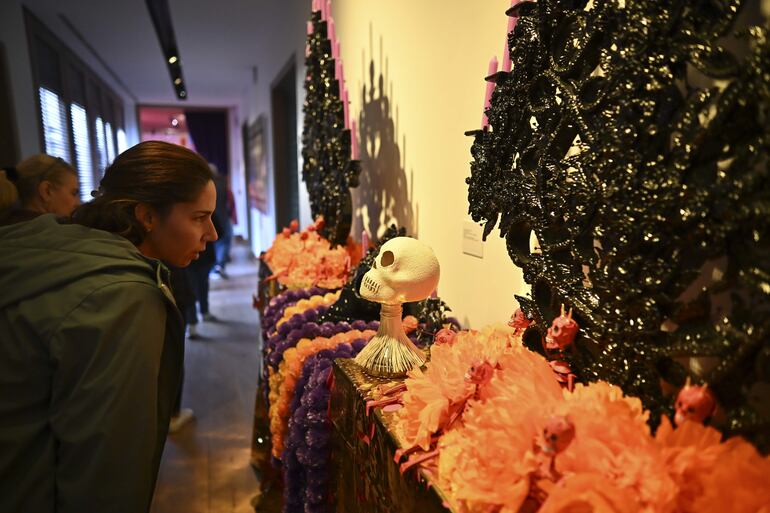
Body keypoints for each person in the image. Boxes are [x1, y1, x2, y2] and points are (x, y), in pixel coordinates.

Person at [0, 141, 218, 513]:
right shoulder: (124, 298)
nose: (211, 233)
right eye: (199, 217)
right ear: (147, 216)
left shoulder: (49, 248)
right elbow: (106, 474)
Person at [0, 155, 80, 225]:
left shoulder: (7, 226)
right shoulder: (63, 235)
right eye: (73, 193)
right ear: (46, 191)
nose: (77, 203)